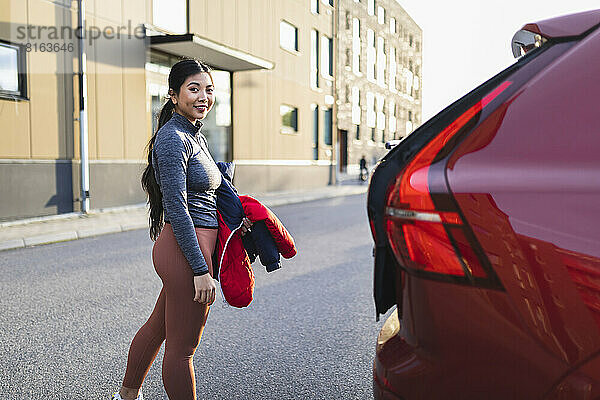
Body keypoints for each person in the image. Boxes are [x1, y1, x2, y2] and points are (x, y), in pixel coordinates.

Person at [112, 59, 251, 400]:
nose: (203, 96)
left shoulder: (194, 134)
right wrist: (201, 270)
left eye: (209, 89)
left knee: (159, 327)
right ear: (173, 95)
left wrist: (236, 219)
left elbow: (207, 194)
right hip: (185, 250)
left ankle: (126, 397)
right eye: (194, 89)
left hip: (190, 246)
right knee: (182, 348)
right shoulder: (173, 138)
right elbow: (176, 205)